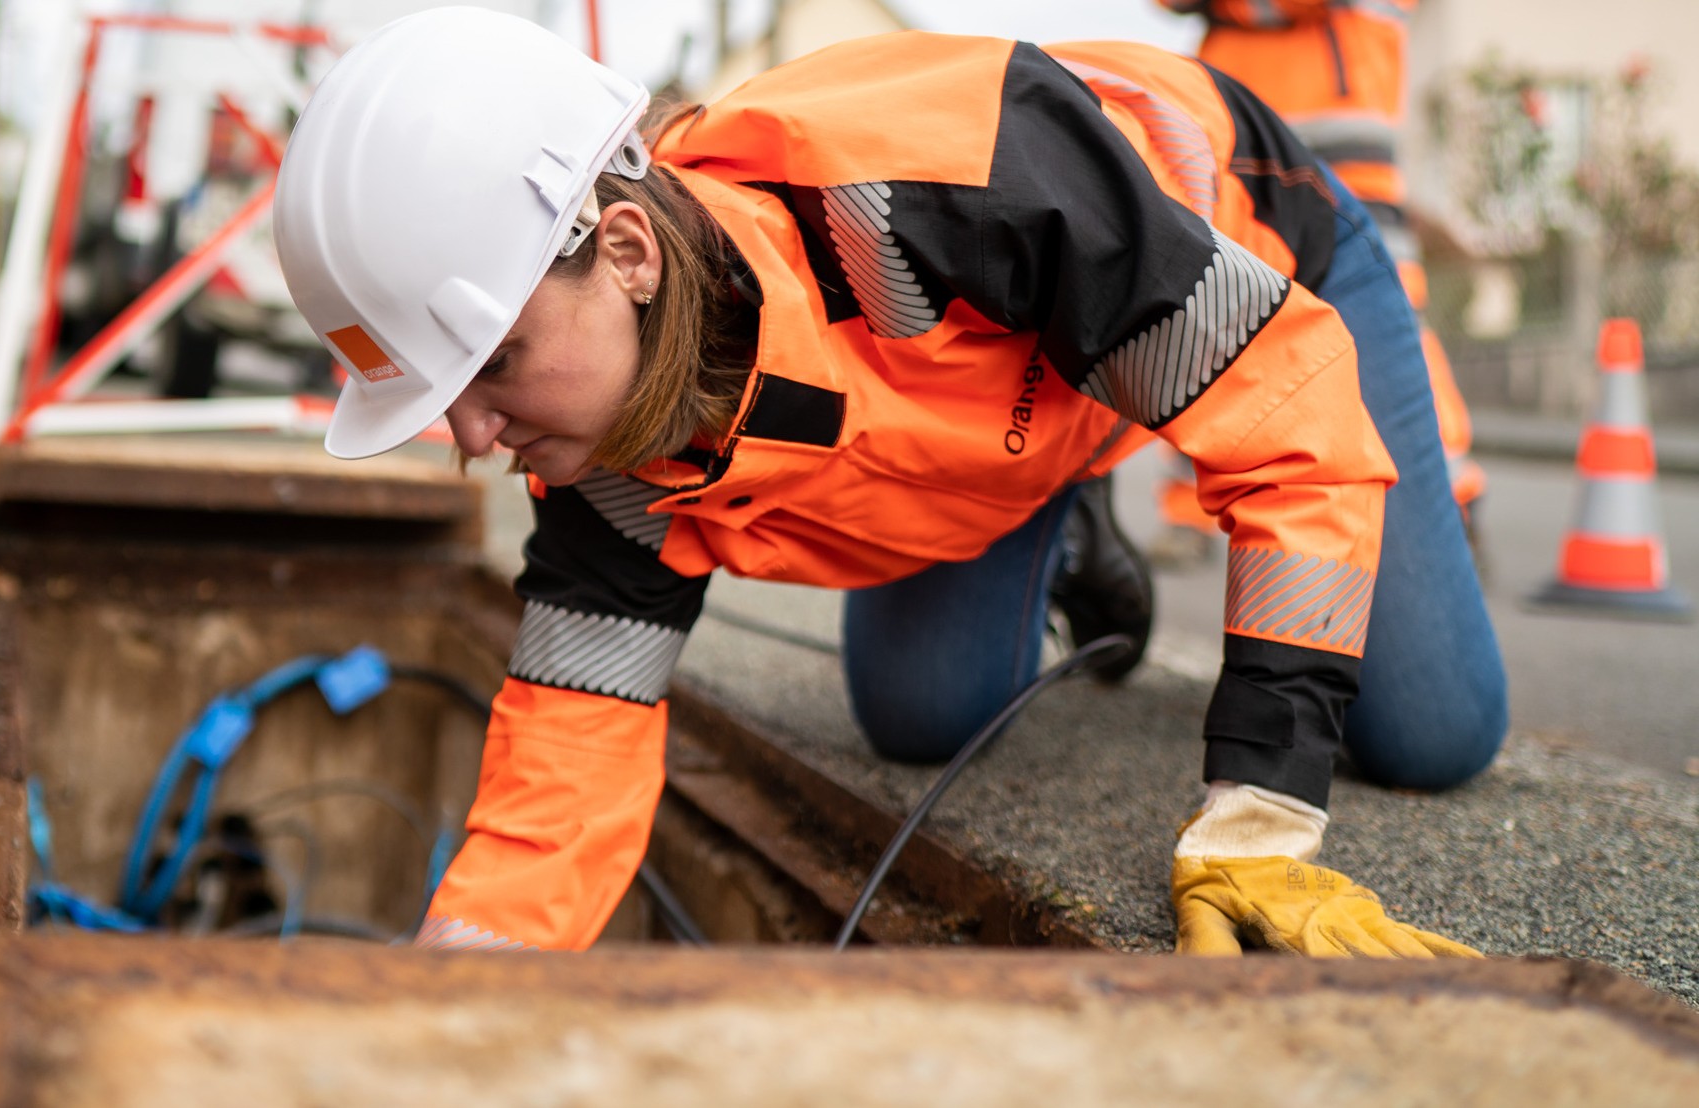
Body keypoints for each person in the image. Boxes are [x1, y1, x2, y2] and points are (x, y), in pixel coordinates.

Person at [272, 7, 1507, 956]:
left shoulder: (943, 184)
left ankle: (1084, 454)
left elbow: (1287, 419)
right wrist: (449, 1000)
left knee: (1431, 731)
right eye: (443, 403)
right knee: (921, 711)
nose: (476, 438)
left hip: (1266, 269)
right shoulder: (605, 456)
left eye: (491, 370)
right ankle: (1066, 518)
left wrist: (1261, 804)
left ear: (629, 254)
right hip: (1014, 413)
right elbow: (566, 761)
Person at [1158, 0, 1488, 567]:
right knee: (1204, 314)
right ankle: (1190, 509)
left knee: (1388, 327)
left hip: (1343, 140)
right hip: (1230, 124)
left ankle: (1450, 500)